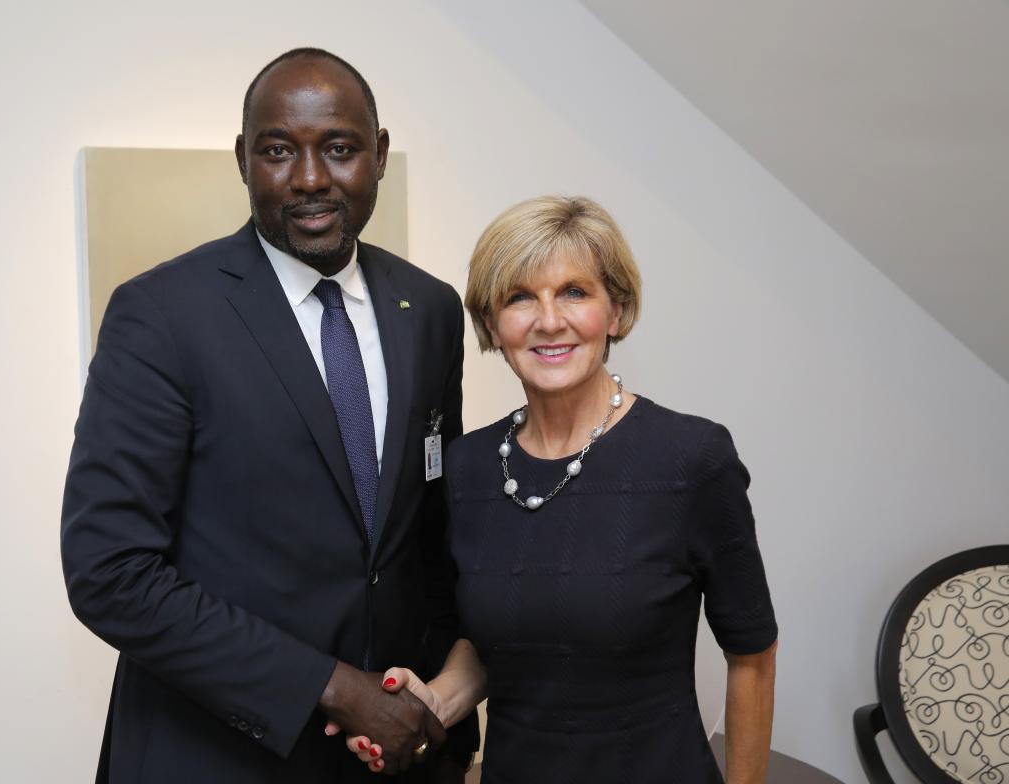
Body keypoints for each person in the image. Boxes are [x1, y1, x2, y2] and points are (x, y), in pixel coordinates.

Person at [61, 48, 476, 783]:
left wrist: (433, 714)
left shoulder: (430, 309)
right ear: (243, 159)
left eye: (340, 149)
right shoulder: (161, 315)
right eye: (278, 151)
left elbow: (429, 532)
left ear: (378, 156)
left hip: (393, 757)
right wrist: (334, 689)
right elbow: (110, 571)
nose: (311, 179)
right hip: (215, 756)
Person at [340, 196, 778, 783]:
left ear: (616, 311)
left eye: (575, 291)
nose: (549, 319)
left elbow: (751, 656)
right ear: (493, 325)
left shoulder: (691, 459)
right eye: (520, 296)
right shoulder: (466, 468)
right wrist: (432, 703)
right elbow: (498, 639)